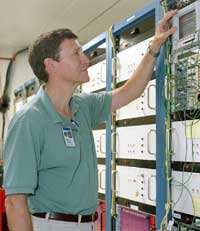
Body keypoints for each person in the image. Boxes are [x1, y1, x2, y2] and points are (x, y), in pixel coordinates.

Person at [3, 10, 176, 231]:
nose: (85, 59)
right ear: (51, 65)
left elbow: (129, 92)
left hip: (87, 224)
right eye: (76, 53)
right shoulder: (29, 120)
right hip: (50, 225)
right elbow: (15, 201)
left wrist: (154, 48)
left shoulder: (82, 106)